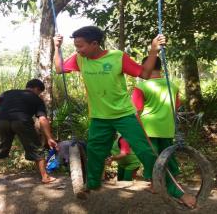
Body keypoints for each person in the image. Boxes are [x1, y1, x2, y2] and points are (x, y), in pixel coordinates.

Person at [53, 26, 195, 207]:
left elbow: (144, 73)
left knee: (147, 152)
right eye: (76, 46)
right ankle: (92, 184)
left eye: (80, 46)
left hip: (125, 114)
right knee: (95, 152)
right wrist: (57, 47)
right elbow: (59, 69)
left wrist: (153, 50)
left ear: (95, 44)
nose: (77, 50)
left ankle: (176, 191)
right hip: (98, 117)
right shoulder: (81, 59)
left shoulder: (117, 57)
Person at [0, 79, 58, 185]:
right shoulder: (37, 99)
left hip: (2, 121)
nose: (39, 94)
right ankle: (45, 177)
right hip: (22, 121)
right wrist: (49, 137)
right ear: (36, 89)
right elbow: (42, 119)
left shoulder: (8, 93)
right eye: (39, 92)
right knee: (36, 148)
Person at [132, 56, 182, 195]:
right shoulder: (173, 85)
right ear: (160, 67)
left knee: (151, 157)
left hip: (148, 128)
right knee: (168, 155)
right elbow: (176, 106)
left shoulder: (141, 86)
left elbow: (136, 110)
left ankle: (155, 185)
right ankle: (174, 182)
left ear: (145, 67)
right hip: (167, 127)